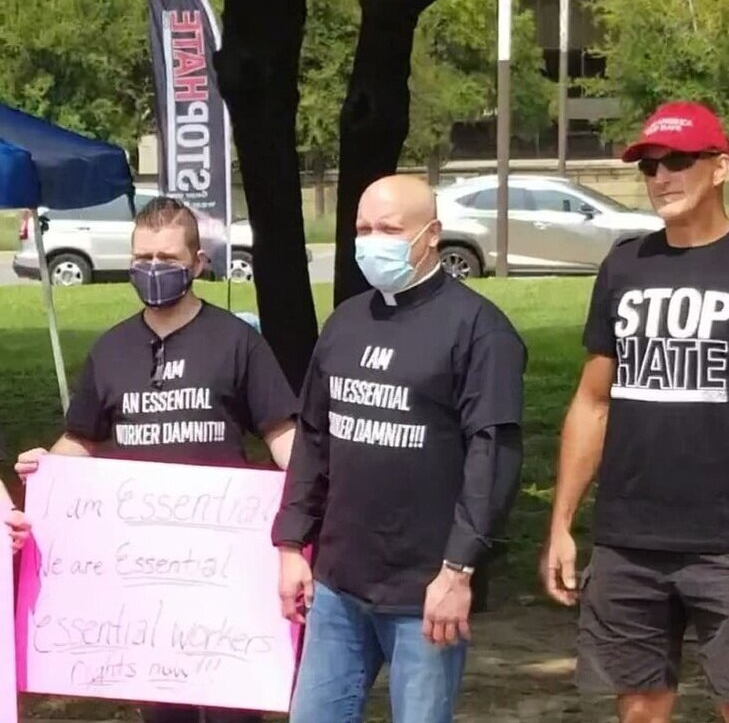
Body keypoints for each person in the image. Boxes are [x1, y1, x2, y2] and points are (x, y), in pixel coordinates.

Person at [16, 197, 298, 723]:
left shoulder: (237, 342)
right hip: (141, 579)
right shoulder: (112, 350)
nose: (152, 268)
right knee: (162, 710)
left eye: (167, 258)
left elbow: (284, 436)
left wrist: (311, 513)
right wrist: (47, 474)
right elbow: (84, 440)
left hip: (225, 574)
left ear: (197, 263)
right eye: (142, 256)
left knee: (231, 711)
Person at [272, 175, 526, 723]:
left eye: (390, 229)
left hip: (426, 589)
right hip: (339, 581)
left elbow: (493, 456)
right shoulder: (345, 322)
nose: (372, 240)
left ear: (431, 234)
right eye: (363, 228)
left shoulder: (481, 331)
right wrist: (293, 545)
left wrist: (459, 571)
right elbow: (314, 439)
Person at [540, 100, 729, 723]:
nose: (662, 178)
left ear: (719, 168)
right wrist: (562, 522)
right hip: (630, 542)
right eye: (650, 167)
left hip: (723, 542)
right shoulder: (626, 265)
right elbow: (593, 401)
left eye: (678, 161)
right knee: (640, 712)